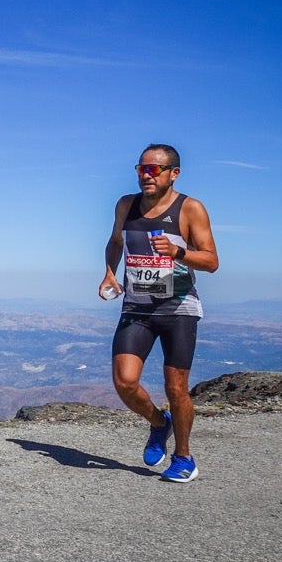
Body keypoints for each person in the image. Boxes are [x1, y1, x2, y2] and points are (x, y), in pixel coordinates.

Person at [99, 144, 218, 483]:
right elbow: (115, 242)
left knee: (176, 387)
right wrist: (109, 271)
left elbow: (211, 261)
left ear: (173, 173)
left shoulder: (190, 208)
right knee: (125, 381)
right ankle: (157, 422)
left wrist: (179, 251)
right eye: (141, 168)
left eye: (155, 169)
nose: (146, 175)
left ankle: (184, 457)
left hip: (178, 308)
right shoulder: (126, 205)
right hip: (136, 307)